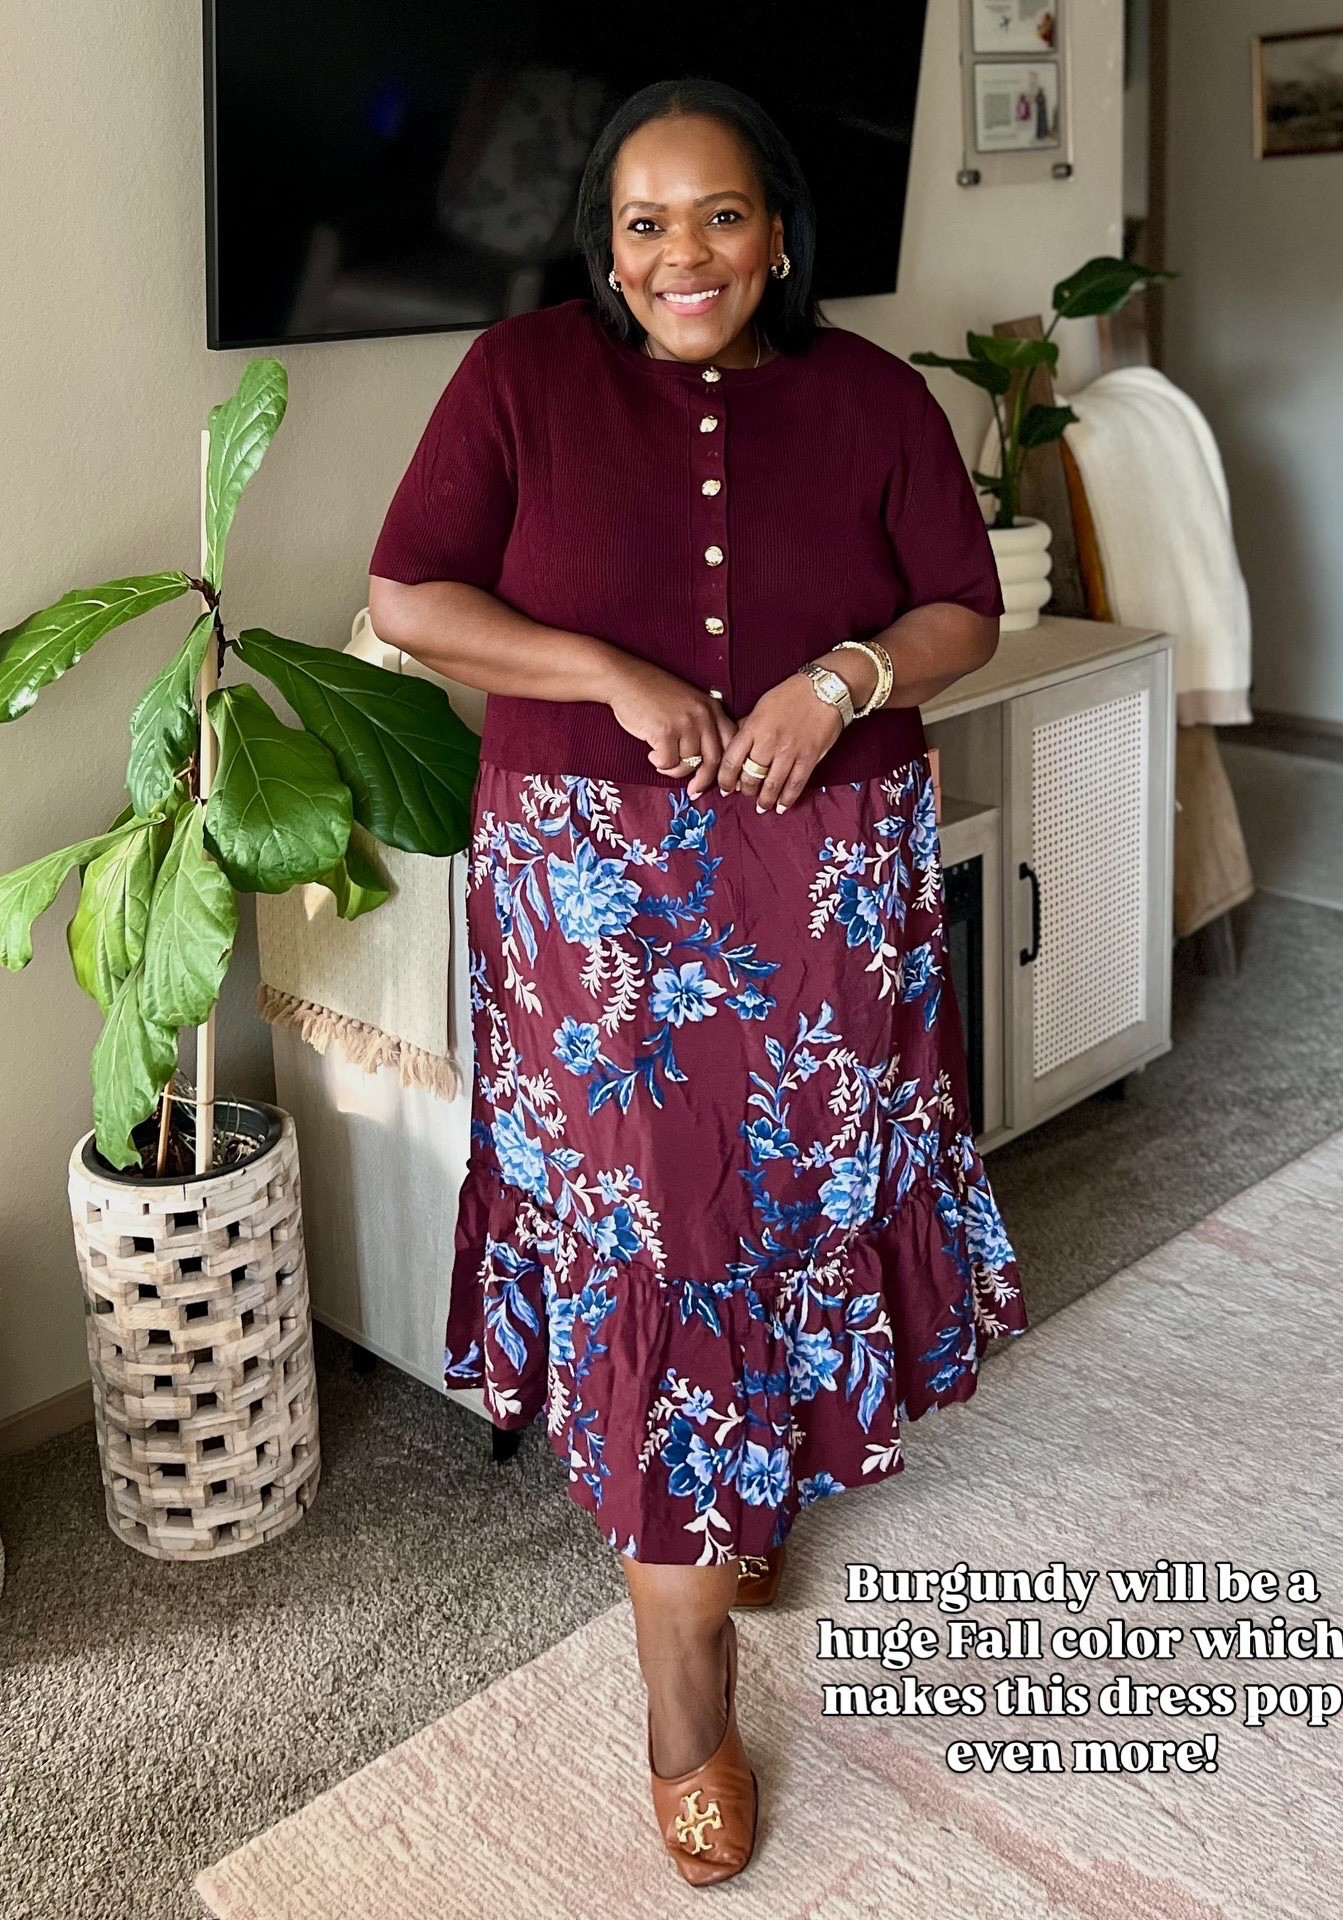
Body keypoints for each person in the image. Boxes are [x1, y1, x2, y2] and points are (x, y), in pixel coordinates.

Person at [368, 75, 1028, 1886]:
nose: (684, 255)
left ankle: (756, 1479)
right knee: (662, 1234)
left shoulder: (874, 395)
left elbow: (962, 606)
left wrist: (842, 683)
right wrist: (603, 671)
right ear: (606, 243)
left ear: (781, 231)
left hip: (832, 871)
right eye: (646, 223)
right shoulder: (519, 385)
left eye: (720, 216)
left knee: (796, 1212)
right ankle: (686, 1687)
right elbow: (412, 595)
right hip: (599, 887)